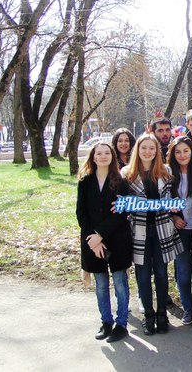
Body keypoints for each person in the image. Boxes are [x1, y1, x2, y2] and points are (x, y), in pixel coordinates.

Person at [122, 133, 183, 335]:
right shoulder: (127, 173)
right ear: (137, 150)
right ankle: (148, 315)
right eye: (144, 148)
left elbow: (171, 198)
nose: (147, 152)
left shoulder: (165, 171)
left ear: (157, 151)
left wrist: (172, 207)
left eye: (151, 148)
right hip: (139, 230)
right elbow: (124, 204)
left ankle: (162, 314)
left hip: (161, 229)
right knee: (142, 274)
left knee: (162, 273)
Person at [76, 142, 132, 343]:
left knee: (119, 283)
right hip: (92, 241)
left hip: (117, 239)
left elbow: (121, 213)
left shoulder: (121, 182)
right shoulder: (85, 181)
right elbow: (81, 213)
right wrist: (94, 239)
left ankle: (121, 324)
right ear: (93, 157)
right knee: (101, 284)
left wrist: (101, 234)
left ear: (112, 156)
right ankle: (106, 322)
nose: (103, 156)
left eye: (107, 153)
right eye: (98, 153)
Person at [167, 136, 192, 325]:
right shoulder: (168, 174)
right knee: (182, 271)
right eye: (178, 152)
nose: (182, 155)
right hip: (180, 230)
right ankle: (187, 308)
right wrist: (174, 218)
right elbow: (164, 201)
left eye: (186, 151)